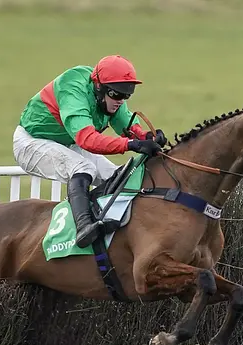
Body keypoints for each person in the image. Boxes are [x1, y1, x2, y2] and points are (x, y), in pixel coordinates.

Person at [13, 54, 167, 248]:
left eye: (126, 95)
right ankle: (84, 227)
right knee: (83, 168)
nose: (121, 100)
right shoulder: (72, 90)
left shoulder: (109, 92)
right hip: (31, 142)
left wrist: (145, 136)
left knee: (116, 176)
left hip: (67, 143)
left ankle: (110, 222)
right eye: (117, 95)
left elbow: (125, 122)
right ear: (99, 87)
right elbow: (87, 140)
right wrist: (131, 145)